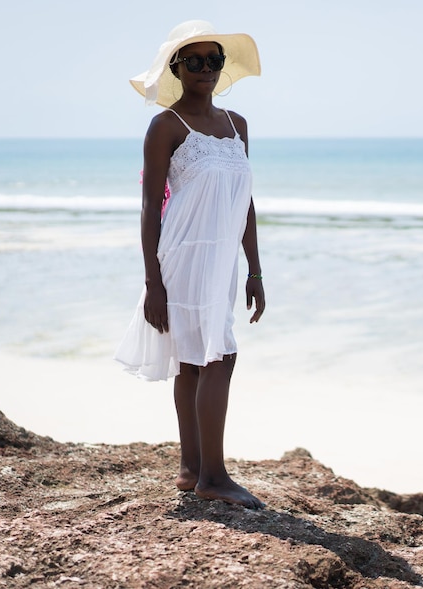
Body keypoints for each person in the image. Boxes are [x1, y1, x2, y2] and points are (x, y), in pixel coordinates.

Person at [115, 20, 265, 509]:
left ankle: (191, 469)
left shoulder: (237, 124)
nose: (206, 69)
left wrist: (256, 270)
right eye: (195, 60)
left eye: (214, 60)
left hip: (222, 258)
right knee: (216, 356)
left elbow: (245, 201)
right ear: (176, 68)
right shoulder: (165, 127)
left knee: (197, 361)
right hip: (183, 254)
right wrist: (151, 283)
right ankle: (214, 476)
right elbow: (148, 206)